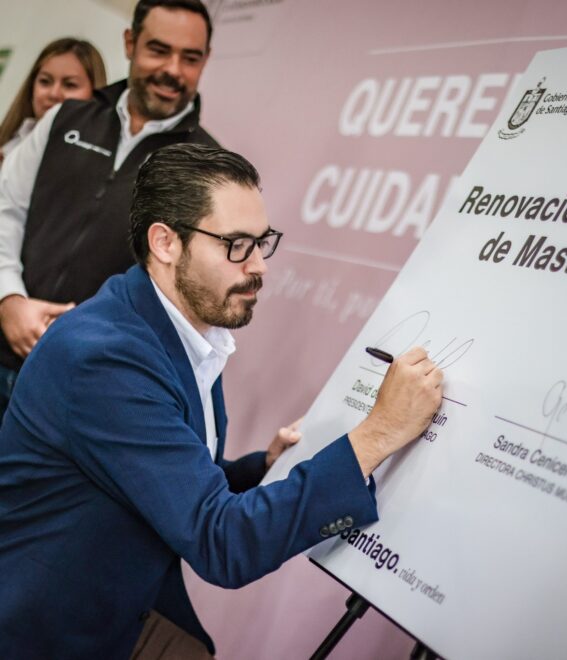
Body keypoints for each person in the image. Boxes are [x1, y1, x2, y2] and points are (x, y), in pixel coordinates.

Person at [0, 143, 444, 658]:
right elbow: (222, 542)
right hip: (48, 633)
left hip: (122, 603)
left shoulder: (172, 324)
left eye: (262, 242)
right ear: (165, 243)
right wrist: (379, 434)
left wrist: (263, 467)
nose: (259, 267)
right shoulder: (106, 359)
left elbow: (167, 476)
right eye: (236, 245)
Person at [0, 0, 218, 421]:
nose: (173, 70)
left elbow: (186, 296)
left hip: (83, 389)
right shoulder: (65, 119)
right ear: (130, 43)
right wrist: (9, 300)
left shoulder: (205, 165)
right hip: (4, 343)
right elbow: (6, 209)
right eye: (159, 50)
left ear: (205, 61)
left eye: (190, 58)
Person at [0, 38, 106, 165]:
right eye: (45, 81)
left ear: (95, 94)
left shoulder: (94, 162)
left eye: (70, 84)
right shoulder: (9, 145)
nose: (54, 94)